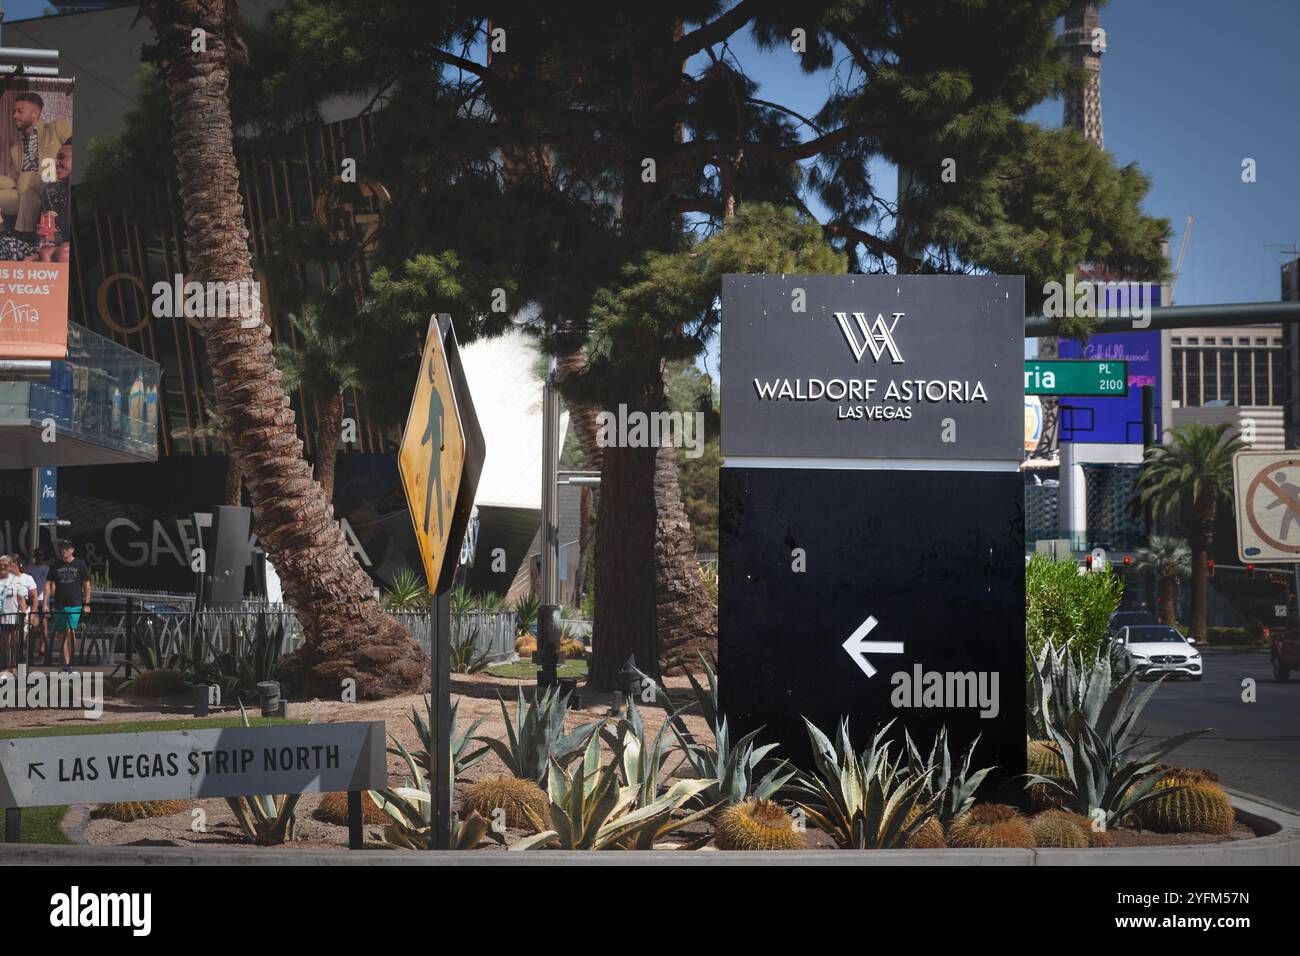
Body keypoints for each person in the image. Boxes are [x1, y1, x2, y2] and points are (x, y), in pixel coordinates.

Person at [0, 92, 71, 243]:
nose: (14, 115)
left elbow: (73, 148)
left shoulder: (57, 127)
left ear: (35, 114)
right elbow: (14, 182)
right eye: (13, 111)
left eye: (19, 111)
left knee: (27, 176)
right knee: (23, 183)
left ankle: (22, 235)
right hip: (26, 193)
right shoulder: (15, 149)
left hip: (54, 186)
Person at [0, 138, 71, 262]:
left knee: (63, 251)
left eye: (61, 157)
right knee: (46, 253)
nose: (55, 162)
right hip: (47, 241)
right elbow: (56, 231)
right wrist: (49, 235)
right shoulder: (52, 191)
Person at [45, 539, 90, 673]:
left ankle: (71, 663)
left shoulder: (80, 564)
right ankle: (67, 665)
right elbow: (48, 583)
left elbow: (86, 584)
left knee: (70, 631)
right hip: (59, 604)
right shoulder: (55, 565)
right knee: (62, 634)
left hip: (75, 604)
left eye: (66, 548)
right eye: (62, 548)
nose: (63, 550)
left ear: (72, 550)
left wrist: (87, 603)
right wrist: (46, 602)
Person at [0, 554, 29, 683]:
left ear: (10, 566)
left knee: (14, 644)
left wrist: (24, 615)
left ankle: (13, 669)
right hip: (2, 618)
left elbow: (21, 599)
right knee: (4, 644)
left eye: (5, 565)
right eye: (0, 564)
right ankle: (6, 668)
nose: (2, 567)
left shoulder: (15, 580)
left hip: (13, 617)